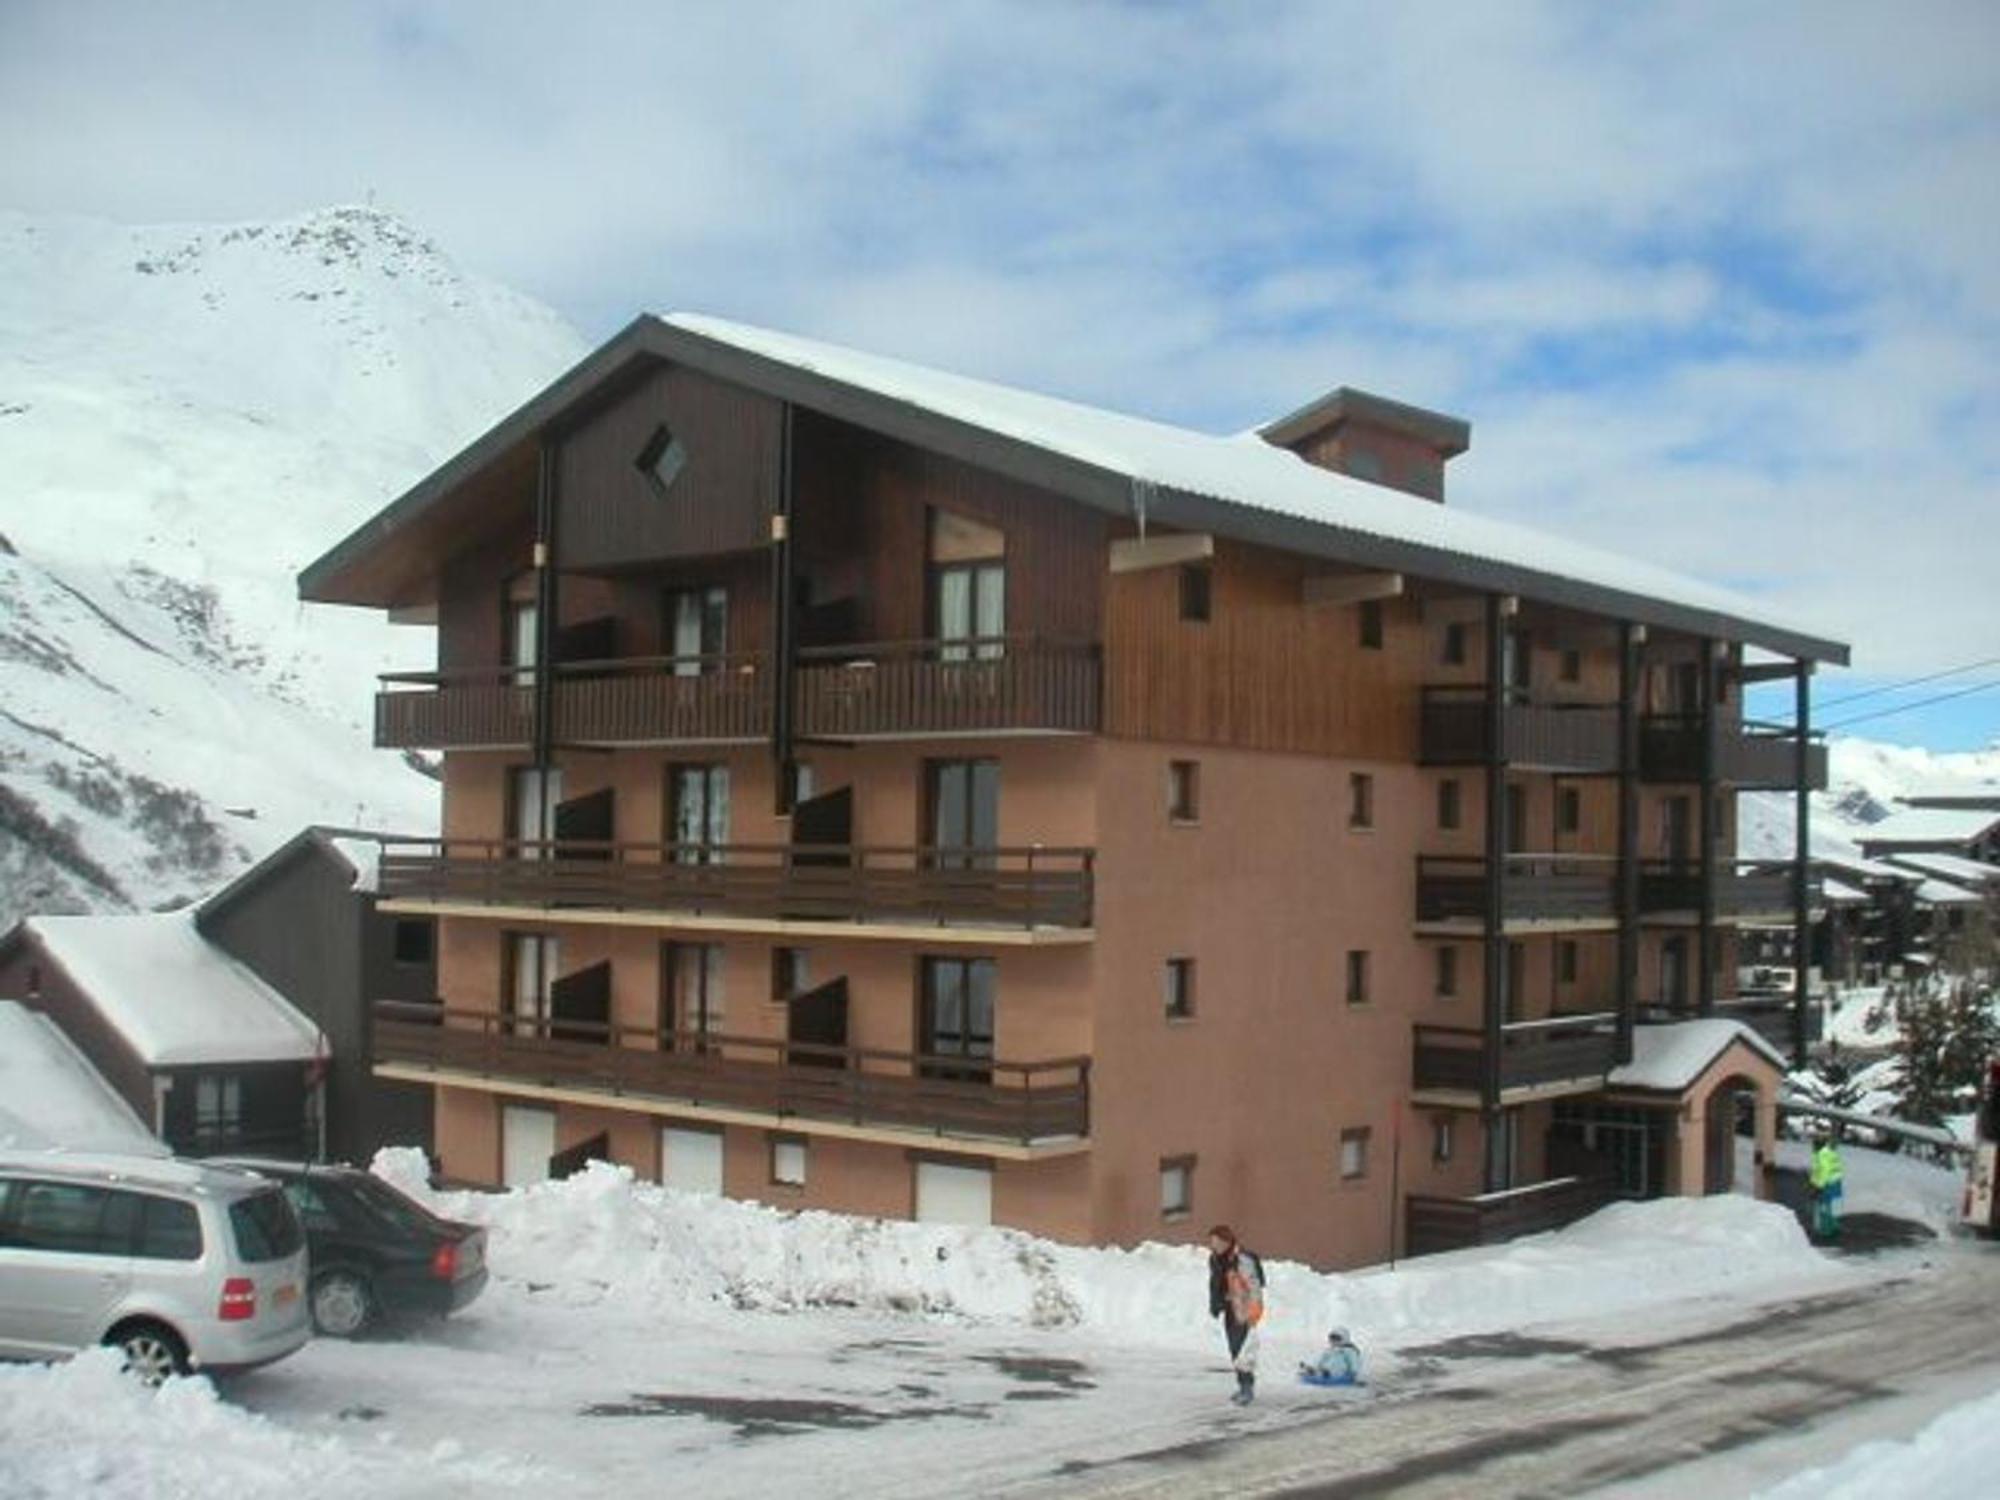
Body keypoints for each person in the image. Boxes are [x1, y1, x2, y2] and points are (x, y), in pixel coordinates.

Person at [1206, 1224, 1266, 1405]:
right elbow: (1216, 1282)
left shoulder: (1242, 1260)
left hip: (1244, 1310)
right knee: (1234, 1350)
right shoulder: (1216, 1258)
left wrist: (1255, 1310)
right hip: (1230, 1309)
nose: (1213, 1245)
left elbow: (1254, 1285)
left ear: (1226, 1241)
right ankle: (1243, 1386)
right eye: (1211, 1241)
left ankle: (1247, 1389)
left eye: (1216, 1241)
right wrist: (1216, 1303)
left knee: (1243, 1350)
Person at [1299, 1326, 1365, 1387]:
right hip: (1327, 1370)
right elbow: (1321, 1359)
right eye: (1332, 1338)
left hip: (1341, 1371)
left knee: (1336, 1365)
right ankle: (1313, 1370)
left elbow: (1353, 1364)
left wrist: (1355, 1376)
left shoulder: (1349, 1351)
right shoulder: (1329, 1350)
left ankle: (1325, 1372)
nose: (1334, 1341)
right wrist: (1316, 1365)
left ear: (1344, 1338)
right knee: (1321, 1362)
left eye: (1337, 1339)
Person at [1808, 1132, 1845, 1240]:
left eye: (1815, 1144)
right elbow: (1818, 1170)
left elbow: (1824, 1171)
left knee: (1823, 1206)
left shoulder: (1822, 1154)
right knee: (1828, 1206)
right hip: (1833, 1182)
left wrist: (1818, 1186)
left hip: (1827, 1184)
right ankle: (1833, 1226)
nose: (1813, 1146)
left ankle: (1826, 1231)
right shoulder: (1826, 1152)